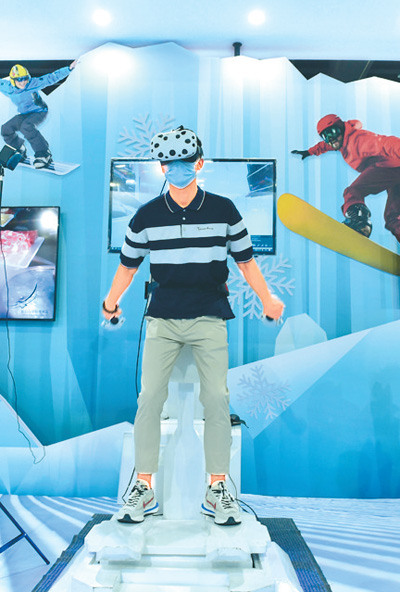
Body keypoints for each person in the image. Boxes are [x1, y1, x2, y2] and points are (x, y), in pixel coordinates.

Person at [103, 126, 284, 526]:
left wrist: (268, 299)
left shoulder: (224, 210)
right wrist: (110, 303)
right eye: (169, 163)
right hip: (163, 317)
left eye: (184, 162)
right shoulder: (146, 215)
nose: (177, 169)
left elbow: (246, 262)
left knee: (216, 399)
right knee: (149, 399)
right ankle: (144, 487)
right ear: (161, 167)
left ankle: (217, 488)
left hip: (209, 315)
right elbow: (127, 266)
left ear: (199, 163)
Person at [292, 114, 400, 243]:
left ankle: (360, 223)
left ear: (341, 128)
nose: (331, 139)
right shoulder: (340, 142)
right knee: (393, 217)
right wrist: (309, 152)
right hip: (393, 177)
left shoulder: (359, 139)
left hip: (390, 167)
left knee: (353, 192)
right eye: (326, 136)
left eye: (332, 132)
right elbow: (325, 146)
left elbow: (385, 143)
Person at [0, 61, 77, 169]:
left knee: (26, 127)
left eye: (25, 78)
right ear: (13, 81)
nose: (23, 82)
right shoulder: (6, 87)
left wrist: (68, 69)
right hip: (24, 114)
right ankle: (19, 148)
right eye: (19, 79)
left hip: (39, 111)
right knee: (6, 129)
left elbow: (51, 78)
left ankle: (44, 154)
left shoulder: (33, 83)